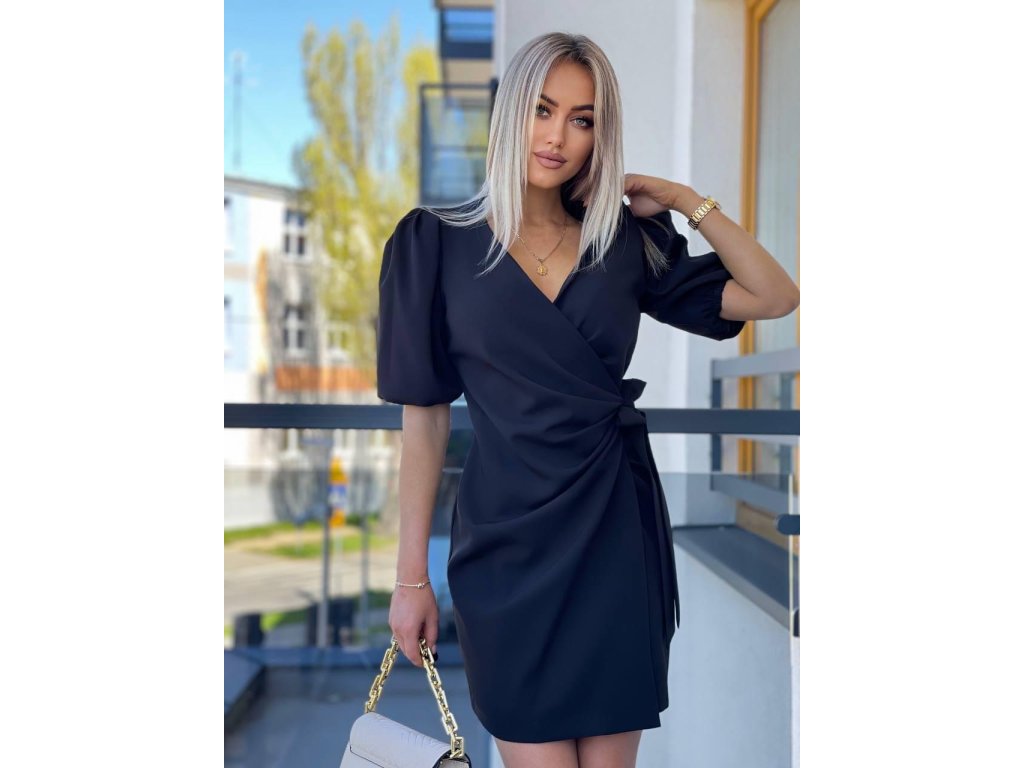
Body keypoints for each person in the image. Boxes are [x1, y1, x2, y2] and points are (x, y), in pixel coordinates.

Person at [378, 31, 799, 768]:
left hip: (614, 535)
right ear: (511, 112)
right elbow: (425, 420)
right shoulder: (433, 245)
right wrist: (411, 577)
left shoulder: (624, 241)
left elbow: (774, 295)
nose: (558, 137)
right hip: (507, 550)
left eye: (583, 119)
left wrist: (685, 201)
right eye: (542, 110)